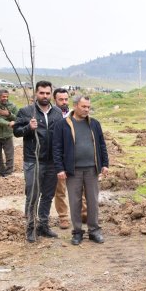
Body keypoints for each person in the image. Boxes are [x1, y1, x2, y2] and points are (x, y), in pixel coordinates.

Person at [53, 95, 109, 245]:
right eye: (84, 107)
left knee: (92, 201)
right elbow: (57, 148)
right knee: (75, 202)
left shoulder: (94, 124)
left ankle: (94, 231)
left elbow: (102, 145)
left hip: (92, 169)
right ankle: (77, 232)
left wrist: (105, 164)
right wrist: (60, 168)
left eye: (89, 107)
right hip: (73, 171)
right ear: (75, 106)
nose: (86, 110)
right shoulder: (62, 125)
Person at [13, 80, 64, 243]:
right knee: (33, 195)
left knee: (48, 195)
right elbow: (17, 132)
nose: (45, 96)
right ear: (36, 93)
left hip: (52, 162)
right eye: (41, 93)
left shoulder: (57, 112)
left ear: (51, 94)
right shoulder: (26, 111)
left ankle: (43, 225)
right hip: (33, 160)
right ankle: (30, 227)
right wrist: (29, 127)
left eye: (48, 93)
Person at [52, 88, 88, 229]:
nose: (64, 102)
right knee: (60, 189)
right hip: (59, 158)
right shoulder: (52, 115)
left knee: (81, 187)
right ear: (55, 100)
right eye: (61, 99)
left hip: (76, 158)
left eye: (66, 99)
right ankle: (63, 217)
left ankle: (83, 213)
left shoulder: (74, 115)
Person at [0, 89, 18, 177]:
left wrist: (9, 114)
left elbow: (18, 118)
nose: (5, 98)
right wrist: (8, 123)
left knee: (10, 155)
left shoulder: (12, 106)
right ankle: (1, 172)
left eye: (7, 96)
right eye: (3, 97)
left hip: (8, 135)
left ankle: (8, 173)